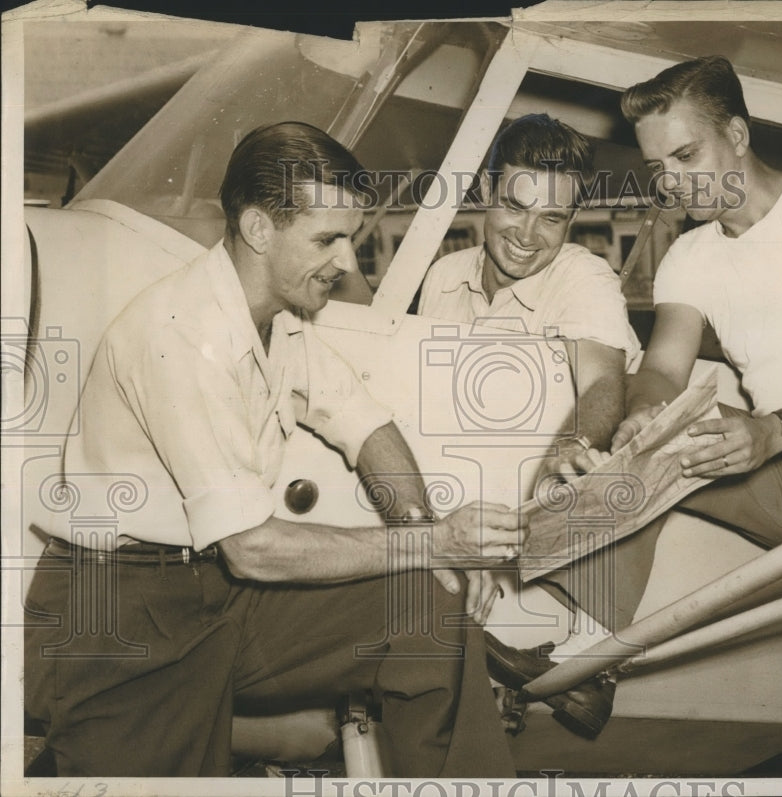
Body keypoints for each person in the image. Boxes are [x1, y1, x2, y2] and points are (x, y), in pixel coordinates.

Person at [489, 58, 782, 777]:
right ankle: (587, 651)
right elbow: (661, 370)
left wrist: (773, 429)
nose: (673, 183)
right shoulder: (690, 254)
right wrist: (640, 422)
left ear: (738, 135)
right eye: (658, 167)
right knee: (648, 441)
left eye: (687, 156)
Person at [23, 122, 522, 778]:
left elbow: (366, 425)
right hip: (121, 615)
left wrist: (421, 529)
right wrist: (435, 543)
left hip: (225, 595)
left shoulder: (278, 320)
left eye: (350, 238)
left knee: (428, 608)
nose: (347, 263)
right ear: (259, 229)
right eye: (327, 239)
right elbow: (252, 546)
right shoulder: (180, 333)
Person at [418, 113, 641, 737]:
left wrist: (567, 453)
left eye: (552, 218)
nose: (527, 235)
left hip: (537, 494)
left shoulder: (583, 275)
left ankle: (571, 664)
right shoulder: (443, 277)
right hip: (465, 486)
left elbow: (603, 385)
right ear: (487, 192)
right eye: (515, 207)